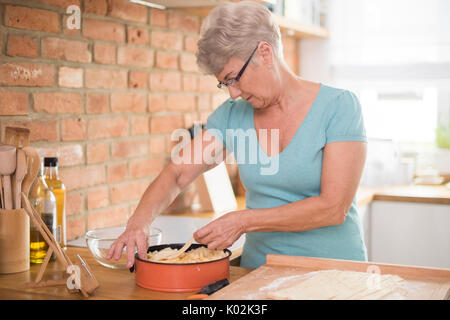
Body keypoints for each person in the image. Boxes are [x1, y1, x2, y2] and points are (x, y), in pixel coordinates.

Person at [107, 1, 368, 269]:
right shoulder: (233, 114)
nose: (233, 92)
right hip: (259, 274)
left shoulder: (339, 106)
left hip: (334, 273)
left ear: (265, 53)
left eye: (234, 78)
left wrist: (244, 220)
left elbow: (333, 208)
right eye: (225, 83)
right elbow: (177, 173)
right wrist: (138, 222)